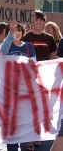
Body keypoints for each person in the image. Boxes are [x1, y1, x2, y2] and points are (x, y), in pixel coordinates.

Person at [22, 10, 57, 150]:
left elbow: (53, 56)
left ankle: (37, 136)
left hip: (44, 79)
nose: (38, 22)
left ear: (43, 21)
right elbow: (20, 55)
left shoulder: (49, 38)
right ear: (32, 21)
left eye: (40, 20)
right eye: (35, 20)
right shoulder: (25, 37)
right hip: (28, 79)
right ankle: (29, 140)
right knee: (29, 109)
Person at [0, 21, 36, 151]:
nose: (17, 32)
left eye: (19, 30)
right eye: (14, 30)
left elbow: (34, 67)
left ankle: (26, 145)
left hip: (25, 92)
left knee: (24, 123)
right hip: (9, 91)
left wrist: (32, 63)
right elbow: (1, 54)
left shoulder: (29, 46)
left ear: (23, 32)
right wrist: (10, 33)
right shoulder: (7, 45)